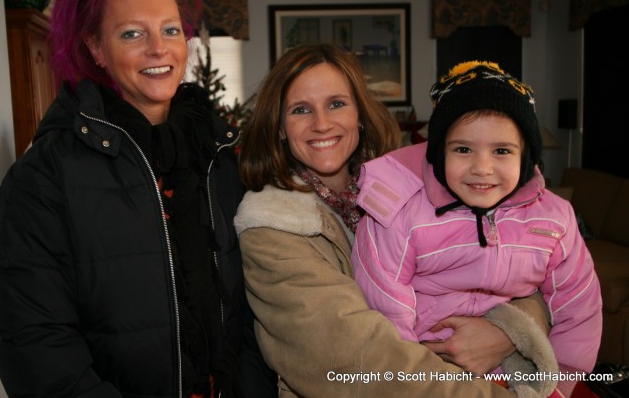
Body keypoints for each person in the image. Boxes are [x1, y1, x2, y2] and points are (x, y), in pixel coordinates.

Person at [0, 0, 274, 397]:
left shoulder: (220, 155)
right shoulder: (44, 177)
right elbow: (33, 343)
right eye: (132, 33)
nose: (158, 48)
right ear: (95, 48)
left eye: (171, 30)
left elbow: (254, 310)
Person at [234, 45, 551, 397]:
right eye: (300, 110)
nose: (322, 123)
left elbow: (529, 273)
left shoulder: (423, 189)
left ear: (359, 115)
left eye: (337, 103)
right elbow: (355, 359)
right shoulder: (272, 227)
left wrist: (508, 330)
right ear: (279, 128)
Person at [352, 61, 603, 397]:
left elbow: (579, 306)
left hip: (514, 370)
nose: (482, 168)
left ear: (526, 157)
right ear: (439, 153)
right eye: (463, 149)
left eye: (501, 151)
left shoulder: (554, 219)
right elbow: (384, 308)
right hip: (428, 369)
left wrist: (558, 386)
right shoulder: (401, 214)